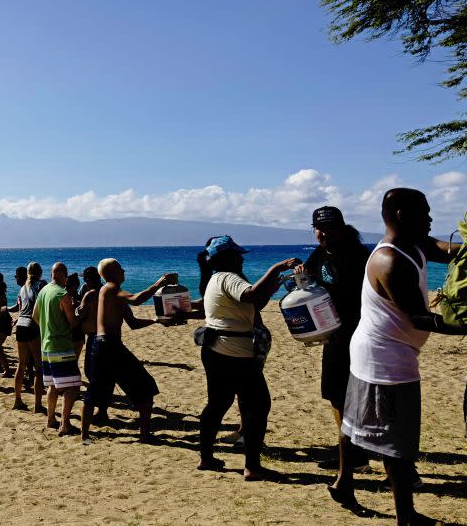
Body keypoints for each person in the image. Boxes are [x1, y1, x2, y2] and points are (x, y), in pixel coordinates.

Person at [330, 189, 465, 525]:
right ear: (402, 215)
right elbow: (418, 317)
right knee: (397, 440)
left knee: (354, 421)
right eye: (426, 213)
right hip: (387, 358)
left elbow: (448, 250)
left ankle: (344, 484)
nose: (432, 220)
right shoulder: (388, 260)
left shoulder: (415, 245)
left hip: (375, 350)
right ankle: (406, 515)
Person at [194, 235, 300, 481]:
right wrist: (276, 268)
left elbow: (252, 304)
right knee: (258, 406)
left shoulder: (216, 278)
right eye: (238, 256)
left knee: (217, 404)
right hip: (236, 353)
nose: (241, 260)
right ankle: (252, 466)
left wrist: (273, 283)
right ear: (228, 258)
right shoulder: (229, 277)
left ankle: (206, 457)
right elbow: (251, 295)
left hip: (215, 350)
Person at [291, 207, 372, 472]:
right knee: (336, 394)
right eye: (319, 228)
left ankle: (360, 453)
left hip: (360, 332)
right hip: (334, 335)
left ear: (342, 227)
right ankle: (350, 454)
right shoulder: (319, 254)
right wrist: (300, 279)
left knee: (365, 395)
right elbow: (308, 286)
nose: (324, 232)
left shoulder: (359, 255)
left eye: (330, 227)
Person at [80, 260, 178, 444]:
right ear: (113, 273)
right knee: (146, 387)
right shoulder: (110, 288)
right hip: (110, 346)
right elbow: (137, 300)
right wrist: (160, 283)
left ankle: (85, 435)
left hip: (101, 346)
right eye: (120, 268)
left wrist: (156, 320)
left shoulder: (111, 294)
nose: (124, 270)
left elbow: (132, 323)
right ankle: (144, 435)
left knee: (94, 390)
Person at [34, 262, 81, 435]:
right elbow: (73, 322)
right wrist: (81, 311)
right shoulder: (62, 294)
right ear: (62, 274)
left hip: (46, 345)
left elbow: (35, 316)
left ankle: (51, 419)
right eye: (66, 275)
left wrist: (47, 327)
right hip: (61, 345)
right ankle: (65, 424)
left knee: (53, 385)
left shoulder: (43, 291)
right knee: (72, 386)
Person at [12, 263, 47, 413]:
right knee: (39, 368)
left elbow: (20, 309)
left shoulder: (22, 288)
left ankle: (18, 400)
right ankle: (37, 405)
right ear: (40, 273)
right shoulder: (41, 285)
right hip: (33, 325)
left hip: (20, 324)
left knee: (21, 365)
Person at [76, 265, 108, 423]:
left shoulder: (90, 294)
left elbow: (79, 316)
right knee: (102, 374)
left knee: (92, 373)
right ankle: (102, 409)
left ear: (88, 280)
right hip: (107, 335)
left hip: (95, 338)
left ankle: (99, 410)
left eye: (85, 279)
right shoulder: (106, 291)